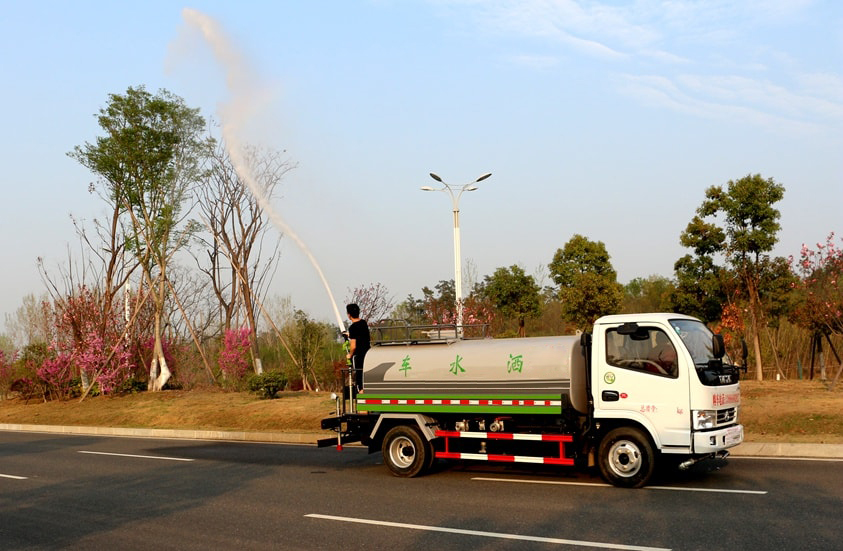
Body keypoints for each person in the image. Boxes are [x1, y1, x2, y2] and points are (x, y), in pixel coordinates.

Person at [345, 303, 370, 393]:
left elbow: (353, 346)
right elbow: (361, 335)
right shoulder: (363, 323)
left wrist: (350, 355)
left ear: (349, 315)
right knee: (366, 378)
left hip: (359, 357)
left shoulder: (353, 328)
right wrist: (349, 335)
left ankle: (363, 403)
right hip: (368, 354)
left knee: (360, 379)